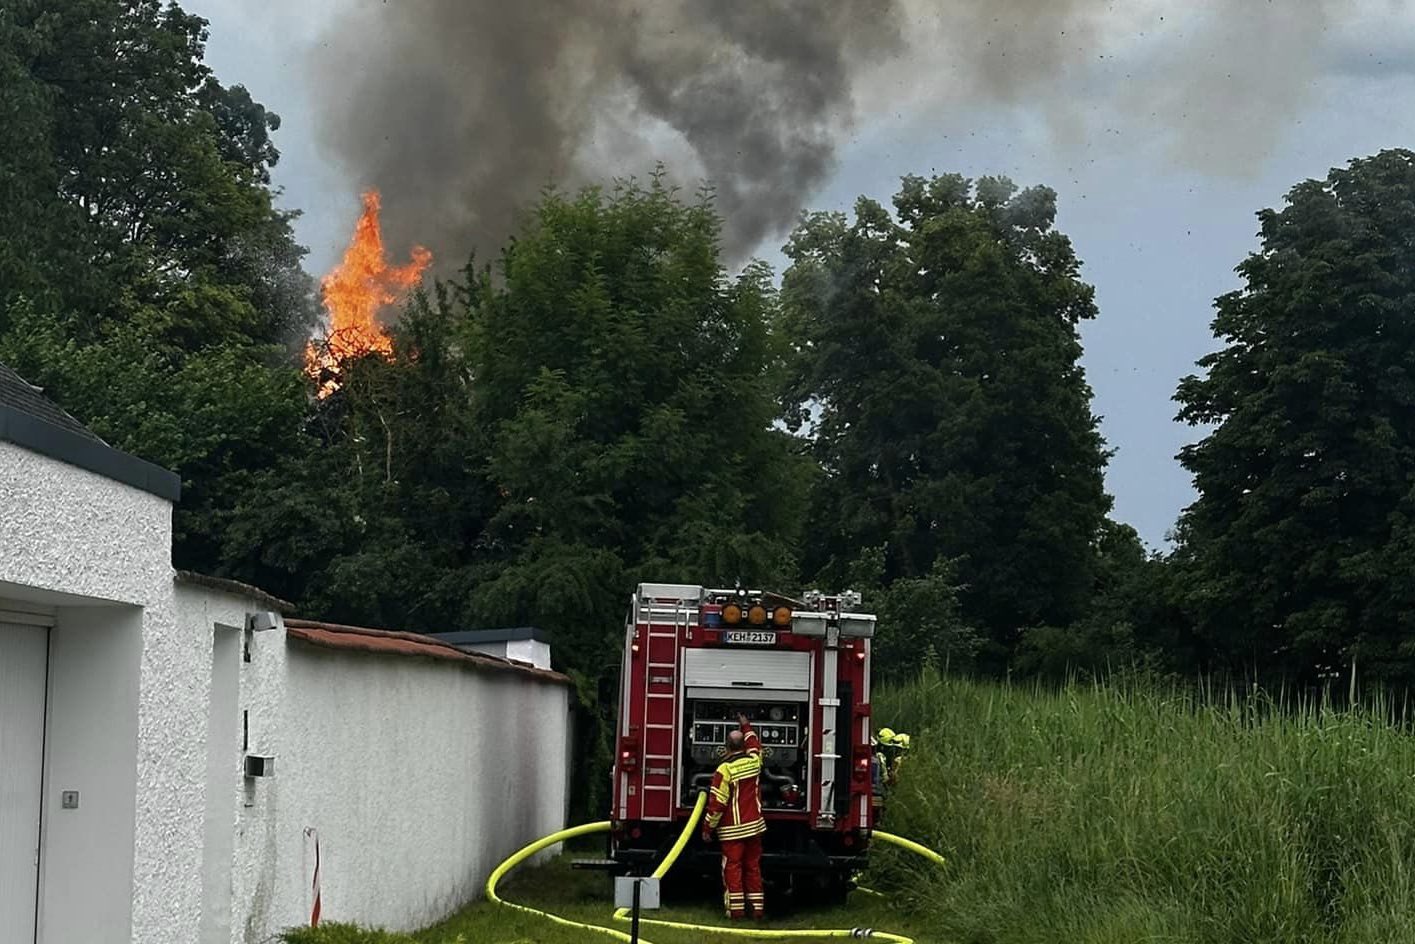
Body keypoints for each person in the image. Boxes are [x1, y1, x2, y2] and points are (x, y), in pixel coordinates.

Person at [702, 712, 766, 920]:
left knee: (732, 868)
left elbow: (717, 804)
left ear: (727, 747)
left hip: (732, 831)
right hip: (754, 828)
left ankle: (736, 912)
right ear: (743, 747)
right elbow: (755, 745)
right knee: (753, 867)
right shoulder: (754, 762)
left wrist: (707, 828)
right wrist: (746, 726)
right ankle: (757, 910)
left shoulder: (724, 770)